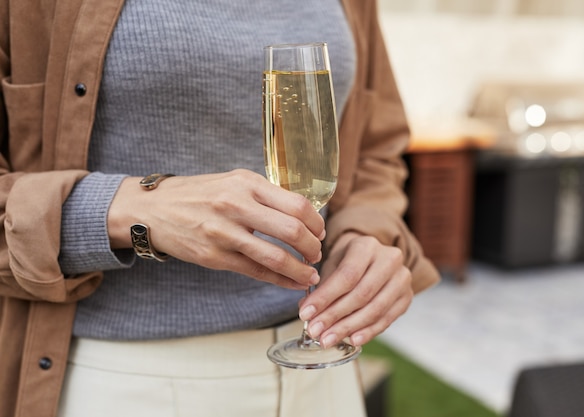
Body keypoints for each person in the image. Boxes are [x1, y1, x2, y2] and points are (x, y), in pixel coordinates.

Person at [0, 0, 440, 416]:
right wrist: (131, 209)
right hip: (125, 380)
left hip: (324, 376)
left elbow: (375, 149)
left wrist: (364, 232)